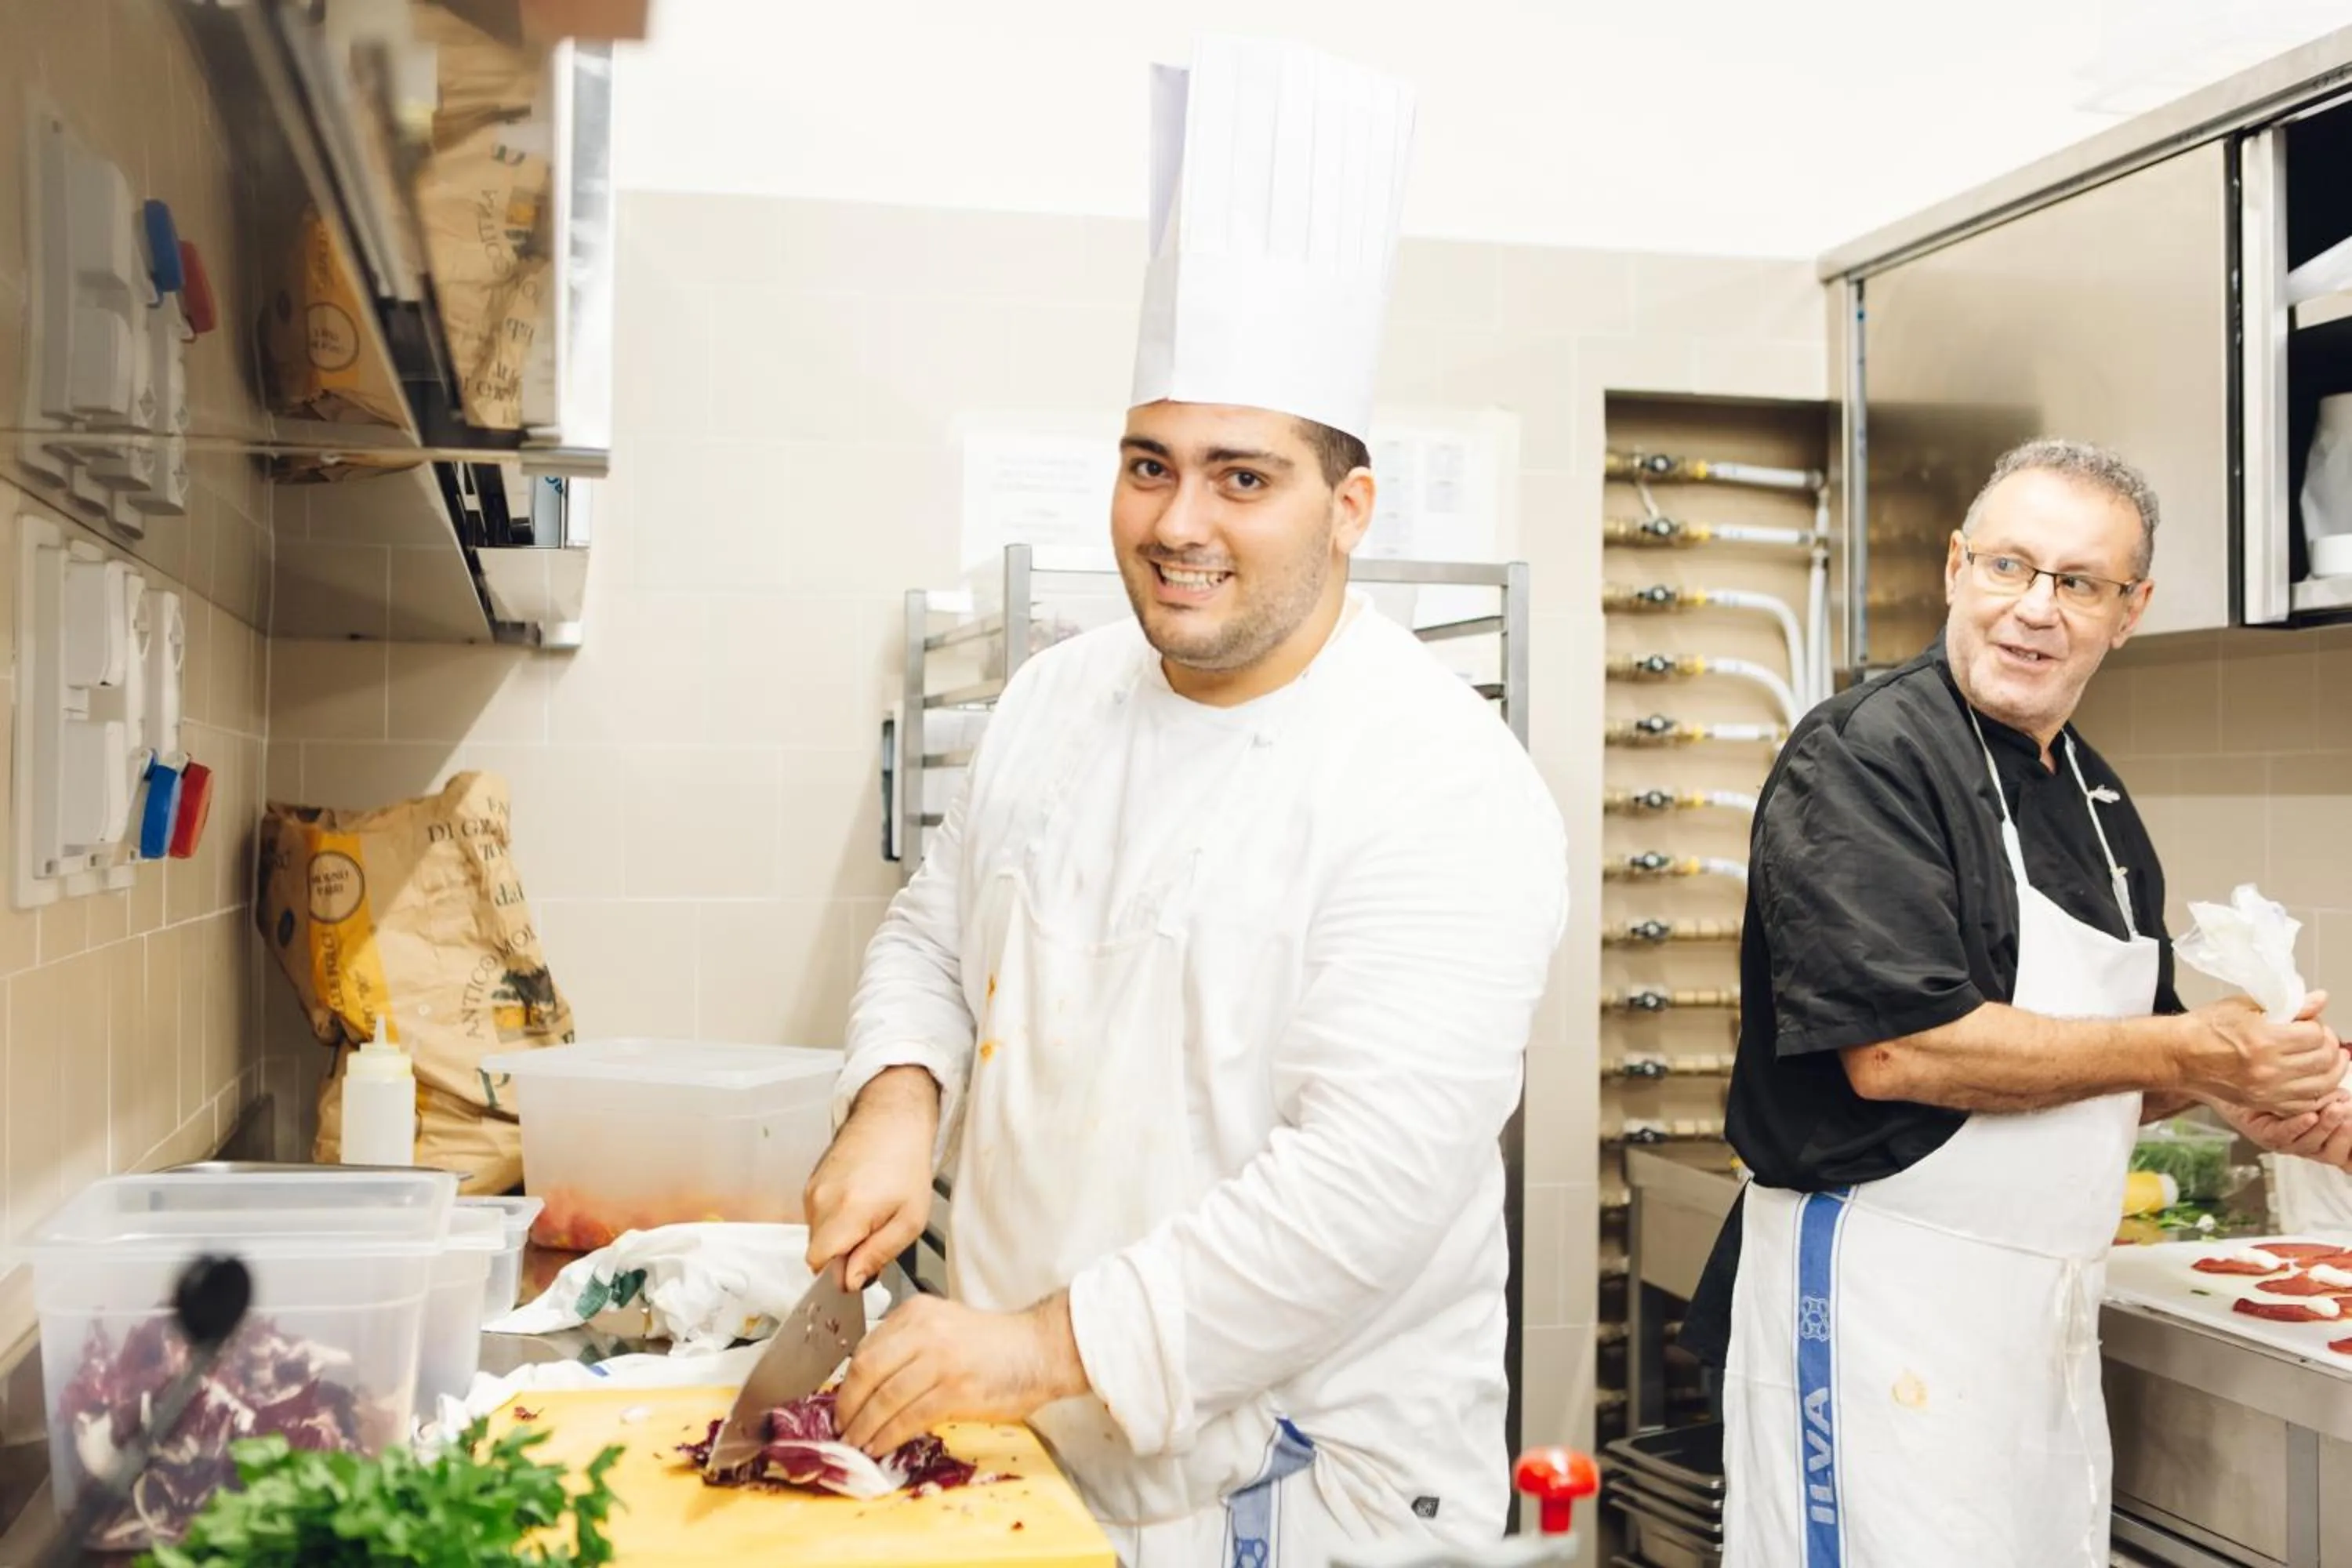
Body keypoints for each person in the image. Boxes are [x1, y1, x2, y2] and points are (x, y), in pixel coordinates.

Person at [800, 35, 1569, 1566]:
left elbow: (1358, 1192)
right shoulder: (1056, 697)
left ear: (1350, 508)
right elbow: (937, 934)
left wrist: (1033, 1345)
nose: (1177, 521)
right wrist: (897, 1096)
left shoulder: (1440, 782)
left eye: (1243, 476)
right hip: (1035, 1445)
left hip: (1292, 1480)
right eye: (1149, 465)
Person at [1681, 437, 2352, 1568]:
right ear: (1956, 567)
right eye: (2010, 567)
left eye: (2080, 583)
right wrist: (2197, 1054)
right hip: (1879, 1300)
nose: (2035, 609)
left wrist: (2247, 1095)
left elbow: (2126, 1060)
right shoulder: (1866, 756)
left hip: (2039, 1324)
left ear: (2129, 612)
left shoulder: (2095, 796)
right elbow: (1901, 1054)